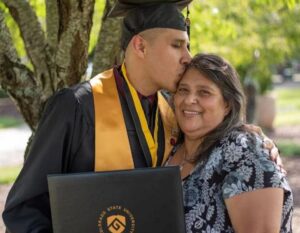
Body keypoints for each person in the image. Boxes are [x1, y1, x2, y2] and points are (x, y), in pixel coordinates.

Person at [2, 1, 281, 232]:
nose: (187, 56)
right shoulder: (76, 107)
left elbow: (220, 138)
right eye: (177, 45)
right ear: (140, 47)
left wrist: (254, 138)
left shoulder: (173, 113)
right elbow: (23, 209)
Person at [166, 53, 293, 232]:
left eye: (204, 92)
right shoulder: (170, 148)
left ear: (227, 104)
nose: (189, 100)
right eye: (183, 90)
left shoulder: (244, 151)